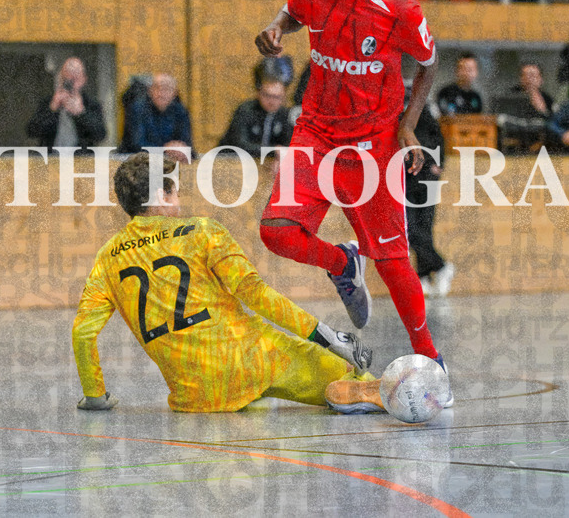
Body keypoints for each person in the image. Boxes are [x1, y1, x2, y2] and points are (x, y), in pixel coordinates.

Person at [253, 0, 453, 393]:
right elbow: (295, 11)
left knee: (393, 260)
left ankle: (432, 360)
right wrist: (277, 26)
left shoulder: (400, 10)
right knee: (276, 232)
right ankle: (343, 263)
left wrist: (408, 126)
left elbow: (428, 63)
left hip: (372, 146)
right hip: (316, 135)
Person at [72, 152, 373, 413]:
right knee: (359, 379)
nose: (179, 201)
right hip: (253, 361)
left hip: (193, 396)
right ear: (162, 196)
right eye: (175, 193)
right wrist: (327, 336)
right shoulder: (202, 231)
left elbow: (83, 332)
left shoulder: (107, 257)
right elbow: (255, 294)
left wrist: (95, 395)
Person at [402, 81, 455, 298]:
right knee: (410, 229)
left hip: (426, 178)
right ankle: (440, 266)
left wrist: (438, 164)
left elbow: (438, 137)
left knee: (425, 228)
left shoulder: (422, 109)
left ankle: (423, 275)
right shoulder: (392, 113)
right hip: (404, 178)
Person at [26, 57, 107, 150]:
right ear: (60, 78)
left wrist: (81, 114)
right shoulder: (47, 102)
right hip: (51, 157)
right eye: (66, 78)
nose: (70, 83)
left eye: (75, 78)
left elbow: (100, 135)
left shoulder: (91, 104)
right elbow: (31, 132)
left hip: (81, 158)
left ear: (83, 80)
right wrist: (52, 109)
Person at [218, 72, 293, 158]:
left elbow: (287, 146)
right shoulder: (246, 110)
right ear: (259, 93)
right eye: (267, 95)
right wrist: (273, 151)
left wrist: (279, 157)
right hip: (229, 160)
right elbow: (240, 145)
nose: (272, 101)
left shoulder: (284, 114)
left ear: (284, 97)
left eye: (277, 97)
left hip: (263, 162)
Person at [121, 73, 193, 157]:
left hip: (171, 160)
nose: (161, 94)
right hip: (137, 160)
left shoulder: (181, 111)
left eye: (167, 89)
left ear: (174, 93)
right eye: (157, 88)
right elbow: (136, 144)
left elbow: (186, 143)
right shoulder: (137, 109)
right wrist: (165, 149)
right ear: (150, 91)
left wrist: (180, 149)